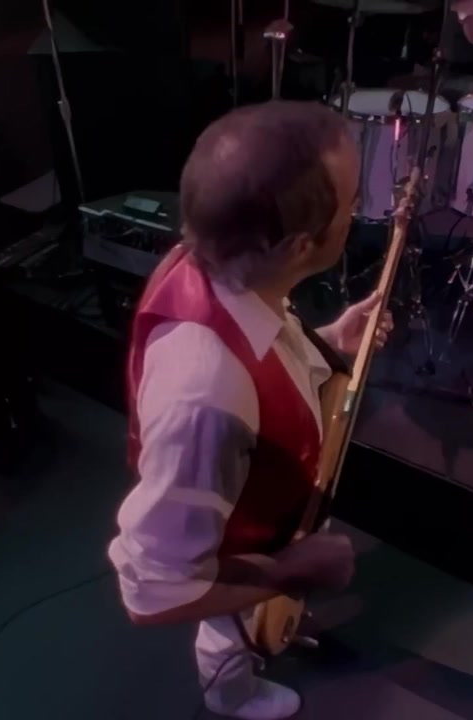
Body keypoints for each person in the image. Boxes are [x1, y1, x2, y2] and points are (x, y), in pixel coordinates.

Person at [108, 101, 395, 720]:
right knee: (231, 628)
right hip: (239, 537)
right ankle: (230, 694)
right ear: (300, 245)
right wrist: (286, 569)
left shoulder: (217, 263)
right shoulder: (204, 399)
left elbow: (262, 344)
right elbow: (154, 591)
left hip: (255, 490)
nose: (358, 215)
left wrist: (329, 342)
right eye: (351, 207)